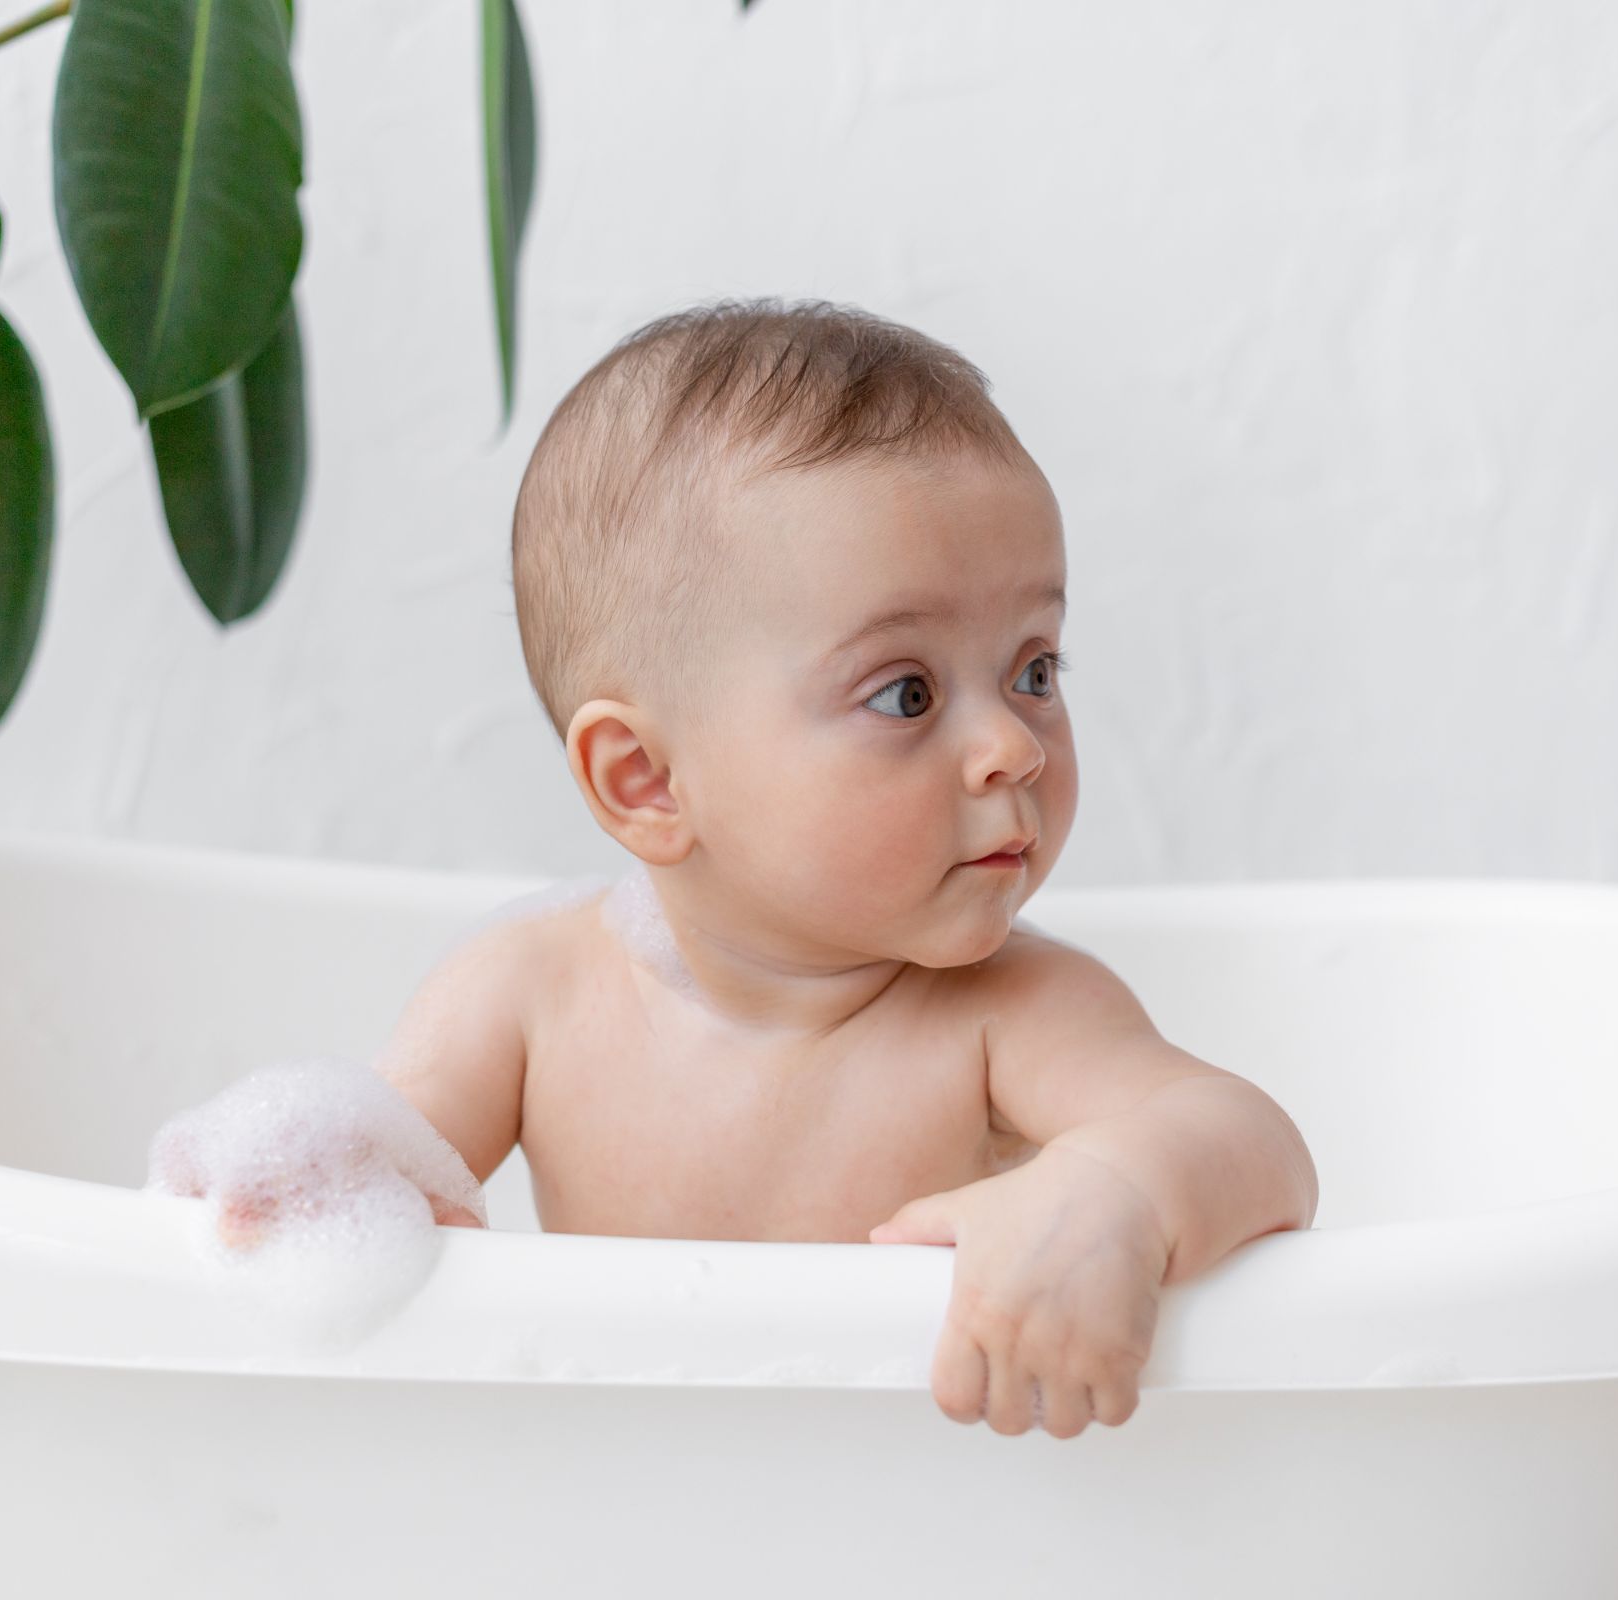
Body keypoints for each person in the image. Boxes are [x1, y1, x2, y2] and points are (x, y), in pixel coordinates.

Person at [183, 296, 1318, 1439]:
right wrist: (288, 1193)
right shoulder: (528, 995)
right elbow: (376, 1174)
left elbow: (1253, 1144)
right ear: (646, 781)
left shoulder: (1012, 1014)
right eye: (906, 693)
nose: (1014, 745)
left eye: (1034, 667)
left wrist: (1120, 1189)